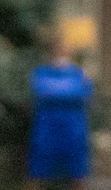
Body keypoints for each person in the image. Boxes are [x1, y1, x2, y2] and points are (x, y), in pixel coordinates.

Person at [26, 33, 93, 190]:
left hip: (73, 131)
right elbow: (43, 90)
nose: (60, 53)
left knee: (78, 174)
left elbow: (82, 93)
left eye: (63, 50)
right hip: (46, 131)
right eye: (57, 49)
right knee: (37, 172)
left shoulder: (78, 74)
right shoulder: (41, 73)